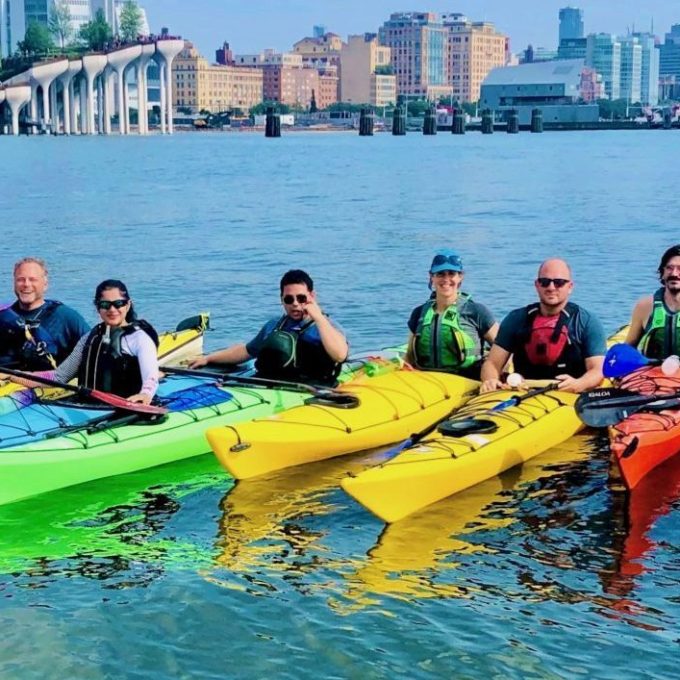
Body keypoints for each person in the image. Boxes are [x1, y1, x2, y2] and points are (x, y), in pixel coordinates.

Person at [1, 279, 160, 404]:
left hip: (127, 408)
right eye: (105, 305)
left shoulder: (140, 339)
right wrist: (12, 376)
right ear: (98, 308)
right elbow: (58, 377)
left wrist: (145, 395)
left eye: (118, 303)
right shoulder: (89, 338)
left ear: (128, 305)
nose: (112, 310)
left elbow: (151, 377)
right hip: (91, 408)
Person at [189, 269, 348, 386]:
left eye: (301, 298)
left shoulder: (326, 327)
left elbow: (340, 355)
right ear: (282, 300)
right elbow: (246, 351)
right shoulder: (275, 325)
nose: (295, 304)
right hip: (271, 386)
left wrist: (318, 318)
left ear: (312, 297)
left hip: (310, 388)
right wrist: (208, 358)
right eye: (288, 299)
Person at [480, 258, 606, 393]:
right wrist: (491, 380)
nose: (551, 288)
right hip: (523, 391)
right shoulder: (516, 319)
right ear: (537, 285)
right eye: (545, 282)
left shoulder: (586, 321)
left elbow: (597, 370)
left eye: (559, 283)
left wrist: (579, 384)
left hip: (570, 394)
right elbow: (492, 363)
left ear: (570, 287)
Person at [406, 249, 498, 379]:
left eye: (451, 274)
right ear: (431, 277)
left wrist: (494, 378)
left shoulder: (476, 311)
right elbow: (409, 356)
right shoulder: (419, 313)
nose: (446, 279)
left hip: (467, 381)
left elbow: (503, 349)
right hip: (427, 380)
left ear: (460, 276)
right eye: (440, 274)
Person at [0, 257, 90, 370]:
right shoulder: (3, 318)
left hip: (51, 383)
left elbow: (94, 351)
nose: (26, 284)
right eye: (20, 279)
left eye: (33, 280)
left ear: (45, 284)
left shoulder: (66, 317)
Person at [625, 245, 680, 359]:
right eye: (669, 268)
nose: (674, 274)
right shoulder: (645, 306)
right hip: (652, 375)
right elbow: (628, 348)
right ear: (662, 271)